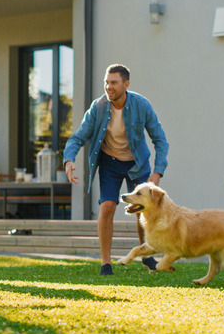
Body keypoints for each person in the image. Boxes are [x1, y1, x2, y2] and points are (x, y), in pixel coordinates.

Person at [63, 64, 169, 275]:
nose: (108, 87)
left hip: (137, 162)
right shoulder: (98, 107)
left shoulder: (141, 105)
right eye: (106, 82)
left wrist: (157, 172)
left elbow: (160, 140)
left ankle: (147, 256)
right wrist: (68, 159)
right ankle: (105, 263)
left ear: (126, 84)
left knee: (144, 210)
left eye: (113, 83)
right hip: (110, 162)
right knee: (107, 206)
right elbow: (78, 137)